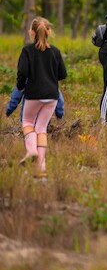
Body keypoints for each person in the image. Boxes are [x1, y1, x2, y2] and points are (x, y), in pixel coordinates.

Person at [14, 17, 67, 178]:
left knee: (28, 122)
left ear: (31, 32)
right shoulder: (55, 52)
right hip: (52, 96)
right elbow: (63, 74)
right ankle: (41, 168)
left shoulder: (27, 51)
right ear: (49, 32)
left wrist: (20, 86)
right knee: (41, 128)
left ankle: (31, 152)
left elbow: (22, 73)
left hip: (33, 94)